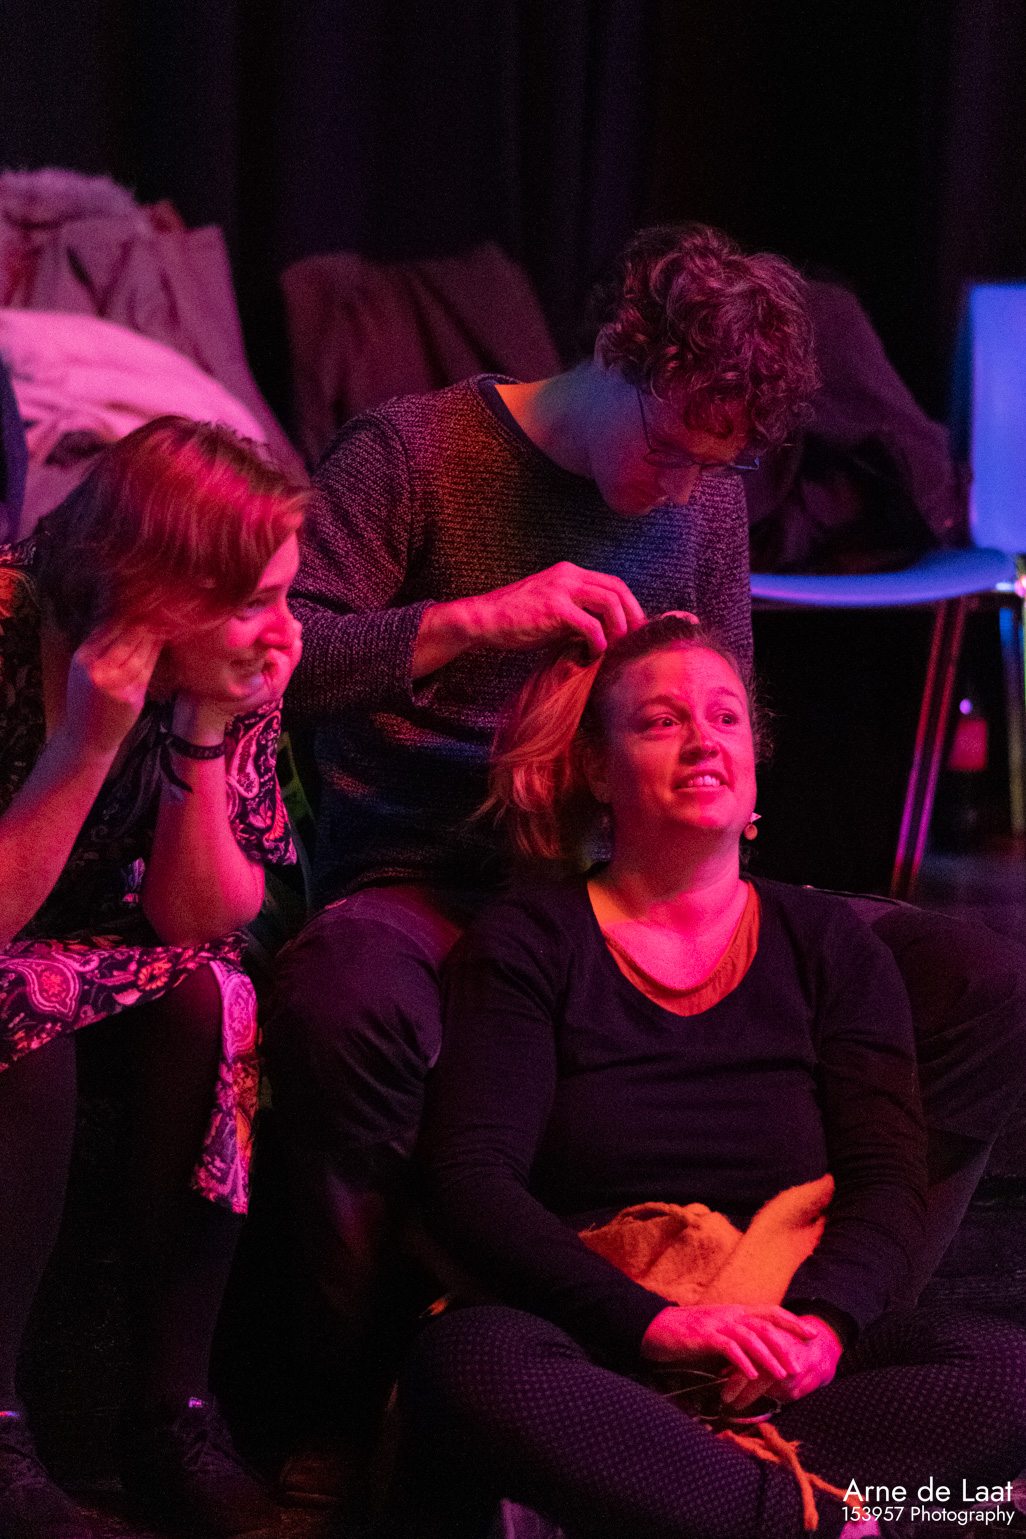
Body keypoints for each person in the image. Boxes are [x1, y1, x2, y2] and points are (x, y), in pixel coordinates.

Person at [266, 224, 820, 1409]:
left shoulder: (706, 501)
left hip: (611, 882)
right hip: (423, 871)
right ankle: (343, 1408)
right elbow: (281, 661)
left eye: (710, 469)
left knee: (952, 985)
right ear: (619, 351)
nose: (678, 490)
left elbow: (726, 697)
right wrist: (475, 620)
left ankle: (770, 1358)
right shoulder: (412, 454)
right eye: (667, 450)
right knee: (345, 1006)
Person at [390, 616, 1026, 1539]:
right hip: (601, 1342)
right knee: (469, 1360)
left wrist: (824, 1326)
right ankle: (804, 1516)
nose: (703, 740)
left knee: (1007, 1372)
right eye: (661, 721)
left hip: (778, 1346)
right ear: (598, 770)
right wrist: (655, 1324)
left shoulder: (829, 943)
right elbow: (471, 1183)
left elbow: (888, 1178)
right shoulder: (529, 944)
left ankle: (693, 1499)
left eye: (726, 718)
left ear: (755, 766)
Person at [0, 417, 305, 1539]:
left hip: (104, 948)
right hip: (12, 952)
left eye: (287, 595)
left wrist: (203, 730)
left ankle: (168, 1416)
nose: (286, 632)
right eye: (255, 601)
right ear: (151, 596)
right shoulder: (7, 628)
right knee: (22, 1001)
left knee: (215, 995)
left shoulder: (225, 669)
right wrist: (85, 745)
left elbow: (201, 917)